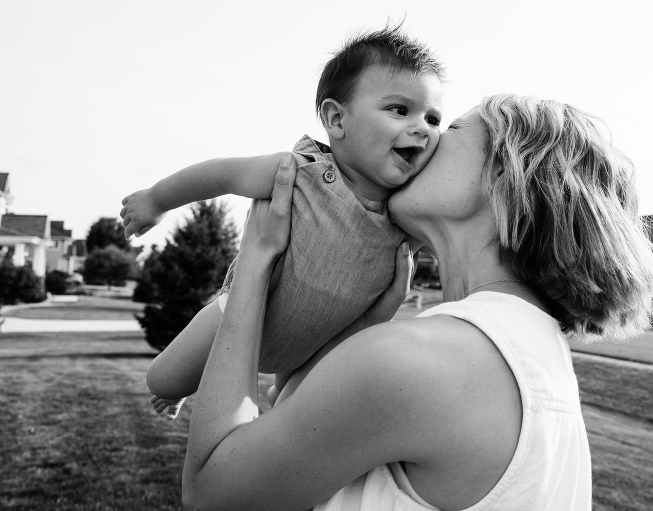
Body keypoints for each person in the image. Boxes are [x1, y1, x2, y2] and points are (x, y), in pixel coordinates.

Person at [181, 94, 653, 510]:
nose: (423, 141)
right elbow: (293, 420)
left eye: (451, 128)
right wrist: (363, 324)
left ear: (504, 175)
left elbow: (211, 490)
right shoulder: (527, 352)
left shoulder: (419, 360)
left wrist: (255, 260)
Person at [119, 26, 444, 418]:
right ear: (336, 120)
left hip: (316, 344)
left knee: (295, 408)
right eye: (400, 110)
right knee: (163, 380)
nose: (422, 128)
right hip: (239, 312)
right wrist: (156, 199)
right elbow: (222, 174)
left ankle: (279, 393)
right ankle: (175, 392)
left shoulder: (408, 212)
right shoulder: (301, 173)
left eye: (433, 117)